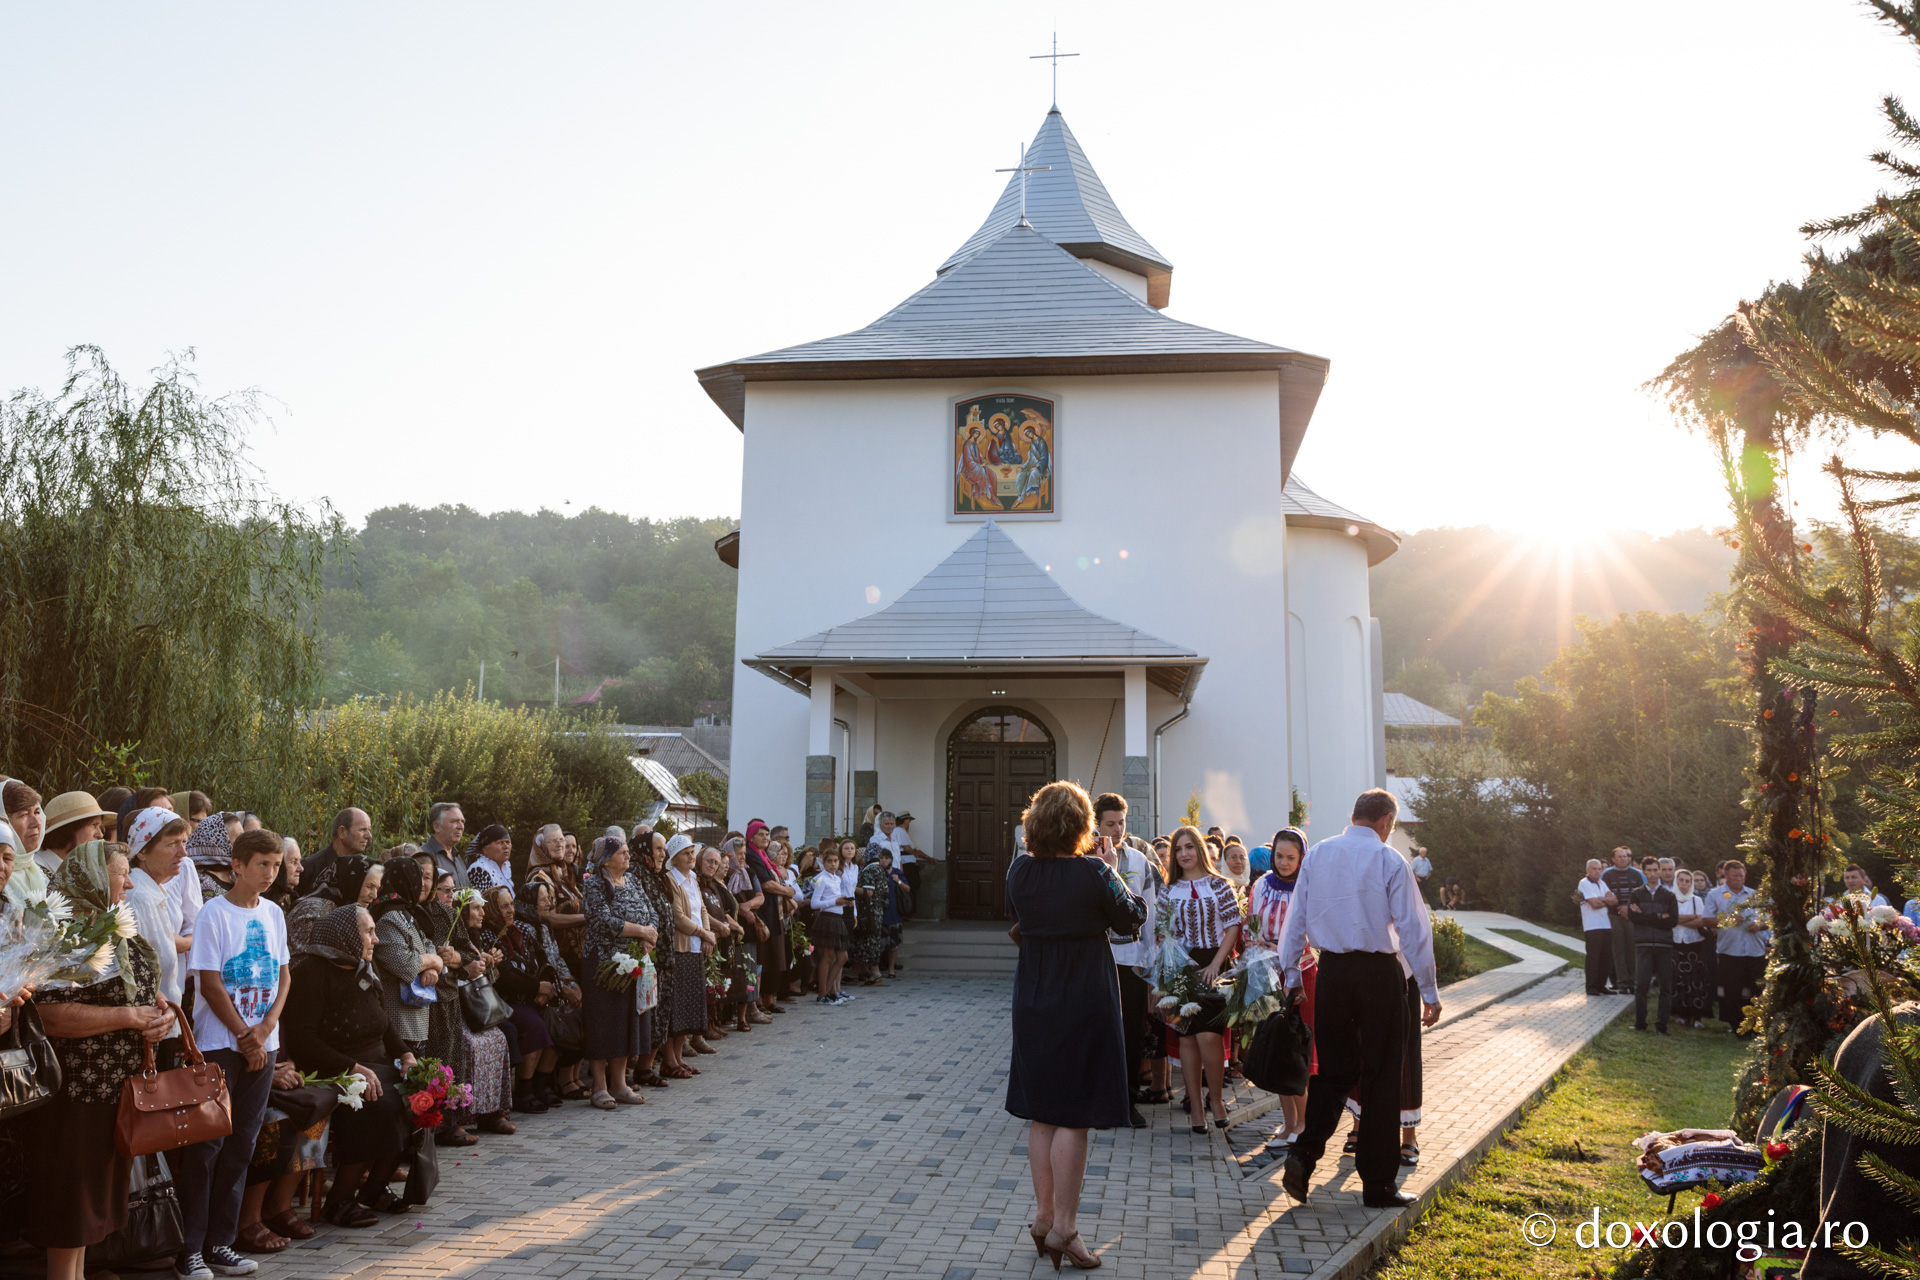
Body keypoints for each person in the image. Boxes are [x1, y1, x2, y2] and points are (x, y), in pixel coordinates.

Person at [1005, 780, 1147, 1273]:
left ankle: (1044, 1216)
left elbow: (1020, 915)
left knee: (1043, 1111)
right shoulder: (1093, 871)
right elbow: (1132, 919)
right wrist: (1111, 873)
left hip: (1034, 994)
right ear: (1084, 827)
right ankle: (1065, 1227)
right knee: (1073, 1115)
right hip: (1083, 993)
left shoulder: (1019, 870)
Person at [1276, 789, 1439, 1211]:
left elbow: (1297, 919)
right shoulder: (1389, 860)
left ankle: (1303, 1153)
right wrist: (1429, 991)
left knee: (1334, 1071)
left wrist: (1293, 974)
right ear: (1386, 820)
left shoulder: (1319, 855)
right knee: (1382, 1075)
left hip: (1331, 973)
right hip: (1379, 975)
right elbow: (1414, 931)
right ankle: (1378, 1185)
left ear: (1353, 815)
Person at [25, 842, 173, 1280]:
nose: (129, 882)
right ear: (91, 879)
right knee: (71, 1212)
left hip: (115, 1093)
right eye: (121, 873)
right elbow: (47, 1015)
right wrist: (129, 1016)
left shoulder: (114, 932)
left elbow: (145, 993)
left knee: (92, 1215)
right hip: (75, 1096)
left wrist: (158, 1016)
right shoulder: (61, 937)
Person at [176, 828, 291, 1280]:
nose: (270, 873)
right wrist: (244, 1034)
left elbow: (284, 977)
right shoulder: (213, 914)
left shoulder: (274, 913)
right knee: (207, 1145)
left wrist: (264, 1031)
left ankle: (221, 1242)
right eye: (262, 864)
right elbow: (208, 981)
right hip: (218, 1045)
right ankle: (190, 1249)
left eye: (276, 865)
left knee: (242, 1143)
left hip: (263, 1043)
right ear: (237, 866)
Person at [280, 905, 416, 1227]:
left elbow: (384, 1025)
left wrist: (407, 1056)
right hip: (331, 1067)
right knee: (379, 1103)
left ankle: (373, 1189)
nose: (376, 939)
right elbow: (303, 1040)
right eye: (368, 931)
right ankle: (340, 1200)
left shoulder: (363, 969)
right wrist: (352, 1066)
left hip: (372, 1064)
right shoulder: (312, 973)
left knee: (418, 1095)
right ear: (346, 935)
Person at [1161, 825, 1242, 1133]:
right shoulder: (1168, 890)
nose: (1184, 854)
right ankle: (1195, 1107)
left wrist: (1216, 964)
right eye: (1178, 849)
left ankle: (1216, 1100)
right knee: (1187, 1039)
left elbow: (1233, 925)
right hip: (1180, 967)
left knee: (1209, 1035)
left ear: (1200, 849)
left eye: (1189, 847)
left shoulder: (1220, 885)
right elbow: (1163, 933)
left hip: (1214, 964)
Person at [1090, 793, 1158, 1129]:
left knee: (1131, 1033)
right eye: (1110, 824)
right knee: (1095, 1032)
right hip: (1095, 959)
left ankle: (1128, 1102)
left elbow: (1150, 910)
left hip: (1130, 960)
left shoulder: (1139, 860)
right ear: (1096, 824)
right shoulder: (1085, 860)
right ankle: (1094, 1101)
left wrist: (1150, 959)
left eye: (1122, 823)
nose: (1117, 830)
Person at [1249, 827, 1315, 1152]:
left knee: (1295, 1051)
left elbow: (1314, 933)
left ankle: (1303, 1124)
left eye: (1291, 857)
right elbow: (1250, 923)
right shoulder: (1261, 885)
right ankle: (1288, 1122)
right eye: (1279, 856)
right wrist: (1256, 942)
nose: (1285, 863)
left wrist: (1286, 951)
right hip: (1268, 975)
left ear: (1302, 857)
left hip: (1301, 978)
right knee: (1276, 1048)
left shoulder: (1309, 887)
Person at [580, 834, 657, 1108]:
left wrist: (649, 937)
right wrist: (640, 931)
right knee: (604, 1023)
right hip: (602, 962)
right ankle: (600, 1086)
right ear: (606, 858)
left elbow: (652, 911)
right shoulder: (594, 884)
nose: (628, 856)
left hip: (633, 959)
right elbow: (602, 920)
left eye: (627, 851)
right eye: (622, 852)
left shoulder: (633, 880)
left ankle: (620, 1083)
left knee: (625, 1022)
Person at [370, 853, 446, 1057]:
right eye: (415, 877)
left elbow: (427, 944)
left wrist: (432, 966)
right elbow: (404, 963)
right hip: (398, 1023)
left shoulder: (409, 913)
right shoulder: (389, 917)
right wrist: (435, 960)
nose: (420, 884)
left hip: (416, 1021)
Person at [126, 806, 196, 1008]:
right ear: (142, 852)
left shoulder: (151, 891)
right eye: (172, 844)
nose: (183, 852)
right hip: (151, 1020)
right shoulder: (137, 896)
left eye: (184, 842)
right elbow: (134, 972)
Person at [665, 834, 716, 1068]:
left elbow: (702, 909)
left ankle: (679, 1058)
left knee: (688, 1008)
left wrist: (707, 935)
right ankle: (671, 1060)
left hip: (695, 948)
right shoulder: (671, 880)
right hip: (680, 949)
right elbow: (678, 917)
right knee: (678, 1008)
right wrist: (704, 933)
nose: (691, 857)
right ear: (674, 858)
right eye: (686, 853)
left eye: (692, 852)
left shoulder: (693, 878)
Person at [1705, 859, 1769, 1035]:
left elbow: (1768, 919)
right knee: (1732, 992)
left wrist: (1760, 925)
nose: (1739, 879)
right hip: (1729, 952)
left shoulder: (1755, 895)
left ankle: (1757, 1027)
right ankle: (1738, 1028)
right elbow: (1707, 919)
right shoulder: (1715, 895)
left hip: (1755, 951)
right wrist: (1727, 920)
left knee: (1757, 991)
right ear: (1725, 876)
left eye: (1742, 875)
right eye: (1735, 876)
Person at [287, 855, 380, 958]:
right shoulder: (314, 911)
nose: (374, 895)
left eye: (377, 888)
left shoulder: (347, 910)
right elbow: (299, 964)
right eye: (369, 887)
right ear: (351, 881)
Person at [1624, 862, 1678, 1034]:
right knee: (1641, 985)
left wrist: (1645, 915)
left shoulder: (1669, 895)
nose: (1653, 873)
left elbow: (1672, 921)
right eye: (1650, 870)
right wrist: (1658, 916)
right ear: (1644, 872)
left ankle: (1662, 1025)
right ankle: (1641, 1022)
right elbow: (1633, 917)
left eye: (1656, 870)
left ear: (1660, 872)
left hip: (1664, 944)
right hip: (1644, 943)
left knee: (1665, 987)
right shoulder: (1636, 894)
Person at [32, 790, 112, 888]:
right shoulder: (34, 873)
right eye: (93, 825)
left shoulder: (85, 871)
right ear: (69, 829)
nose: (100, 835)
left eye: (100, 827)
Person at [1670, 869, 1715, 1028]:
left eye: (1688, 881)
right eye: (1681, 880)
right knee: (1678, 979)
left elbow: (1701, 922)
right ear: (1676, 881)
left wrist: (1678, 920)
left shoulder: (1696, 900)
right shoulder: (1670, 899)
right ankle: (1682, 1015)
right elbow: (1667, 919)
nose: (1684, 884)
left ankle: (1697, 1017)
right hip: (1676, 944)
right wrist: (1689, 917)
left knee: (1696, 981)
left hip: (1695, 946)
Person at [808, 845, 853, 1004]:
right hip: (826, 920)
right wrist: (835, 901)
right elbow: (814, 903)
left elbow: (835, 899)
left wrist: (845, 902)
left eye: (835, 861)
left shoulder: (837, 878)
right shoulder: (821, 878)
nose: (833, 864)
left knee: (842, 957)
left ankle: (827, 991)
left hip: (837, 918)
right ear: (824, 863)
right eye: (829, 861)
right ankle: (822, 994)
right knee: (827, 957)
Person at [1598, 847, 1645, 996]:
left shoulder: (1637, 874)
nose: (1623, 859)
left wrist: (1630, 910)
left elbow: (1641, 894)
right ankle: (1622, 983)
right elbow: (1605, 894)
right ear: (1613, 859)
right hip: (1614, 915)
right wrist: (1620, 909)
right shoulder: (1607, 874)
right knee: (1618, 949)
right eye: (1620, 857)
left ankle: (1634, 982)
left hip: (1632, 916)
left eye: (1625, 856)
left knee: (1633, 949)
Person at [298, 808, 372, 898]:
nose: (369, 836)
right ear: (342, 832)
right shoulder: (309, 868)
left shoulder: (363, 870)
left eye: (369, 830)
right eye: (363, 830)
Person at [1, 781, 45, 905]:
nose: (36, 822)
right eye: (24, 814)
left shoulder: (43, 872)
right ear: (3, 820)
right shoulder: (1, 875)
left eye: (37, 812)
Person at [1575, 859, 1613, 996]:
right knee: (1594, 957)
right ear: (1587, 870)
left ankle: (1601, 985)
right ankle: (1591, 986)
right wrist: (1606, 900)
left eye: (1599, 869)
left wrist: (1601, 899)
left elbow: (1615, 900)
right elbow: (1594, 904)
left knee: (1605, 957)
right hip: (1592, 926)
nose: (1597, 871)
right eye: (1594, 869)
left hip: (1606, 924)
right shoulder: (1584, 883)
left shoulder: (1602, 883)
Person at [464, 824, 515, 898]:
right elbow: (482, 904)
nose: (506, 846)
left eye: (508, 842)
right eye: (500, 842)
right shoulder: (479, 870)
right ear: (485, 850)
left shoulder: (504, 868)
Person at [421, 801, 467, 881]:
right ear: (436, 827)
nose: (461, 826)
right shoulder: (424, 856)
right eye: (454, 821)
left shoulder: (457, 856)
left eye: (462, 821)